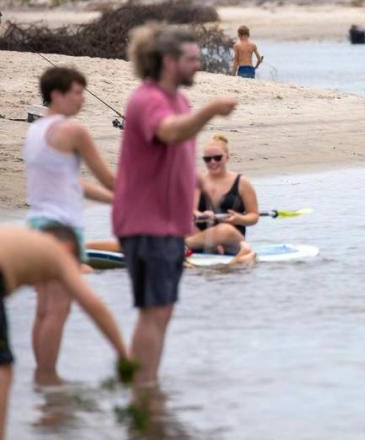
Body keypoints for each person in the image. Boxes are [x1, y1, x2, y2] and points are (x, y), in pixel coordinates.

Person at [112, 24, 238, 385]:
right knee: (153, 311)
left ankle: (148, 389)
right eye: (192, 59)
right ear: (169, 61)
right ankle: (143, 389)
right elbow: (169, 132)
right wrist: (212, 109)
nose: (199, 64)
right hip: (143, 223)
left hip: (171, 225)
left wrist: (199, 182)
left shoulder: (180, 100)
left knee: (163, 311)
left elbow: (178, 151)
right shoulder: (146, 99)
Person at [23, 67, 115, 377]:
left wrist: (115, 201)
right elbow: (108, 178)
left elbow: (72, 183)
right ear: (58, 95)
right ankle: (48, 379)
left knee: (44, 309)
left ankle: (42, 379)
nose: (83, 100)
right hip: (62, 230)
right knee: (58, 309)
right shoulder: (74, 131)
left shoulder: (35, 129)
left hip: (36, 227)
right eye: (78, 92)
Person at [0, 226, 130, 440]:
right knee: (3, 367)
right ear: (71, 247)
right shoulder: (58, 253)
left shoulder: (28, 242)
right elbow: (94, 306)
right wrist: (123, 355)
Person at [188, 133, 259, 259]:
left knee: (225, 230)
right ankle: (191, 244)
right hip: (202, 237)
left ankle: (181, 245)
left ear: (227, 157)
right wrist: (201, 215)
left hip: (232, 241)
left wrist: (239, 219)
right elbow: (191, 211)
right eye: (207, 159)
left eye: (217, 158)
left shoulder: (242, 182)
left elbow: (254, 216)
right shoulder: (198, 182)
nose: (213, 162)